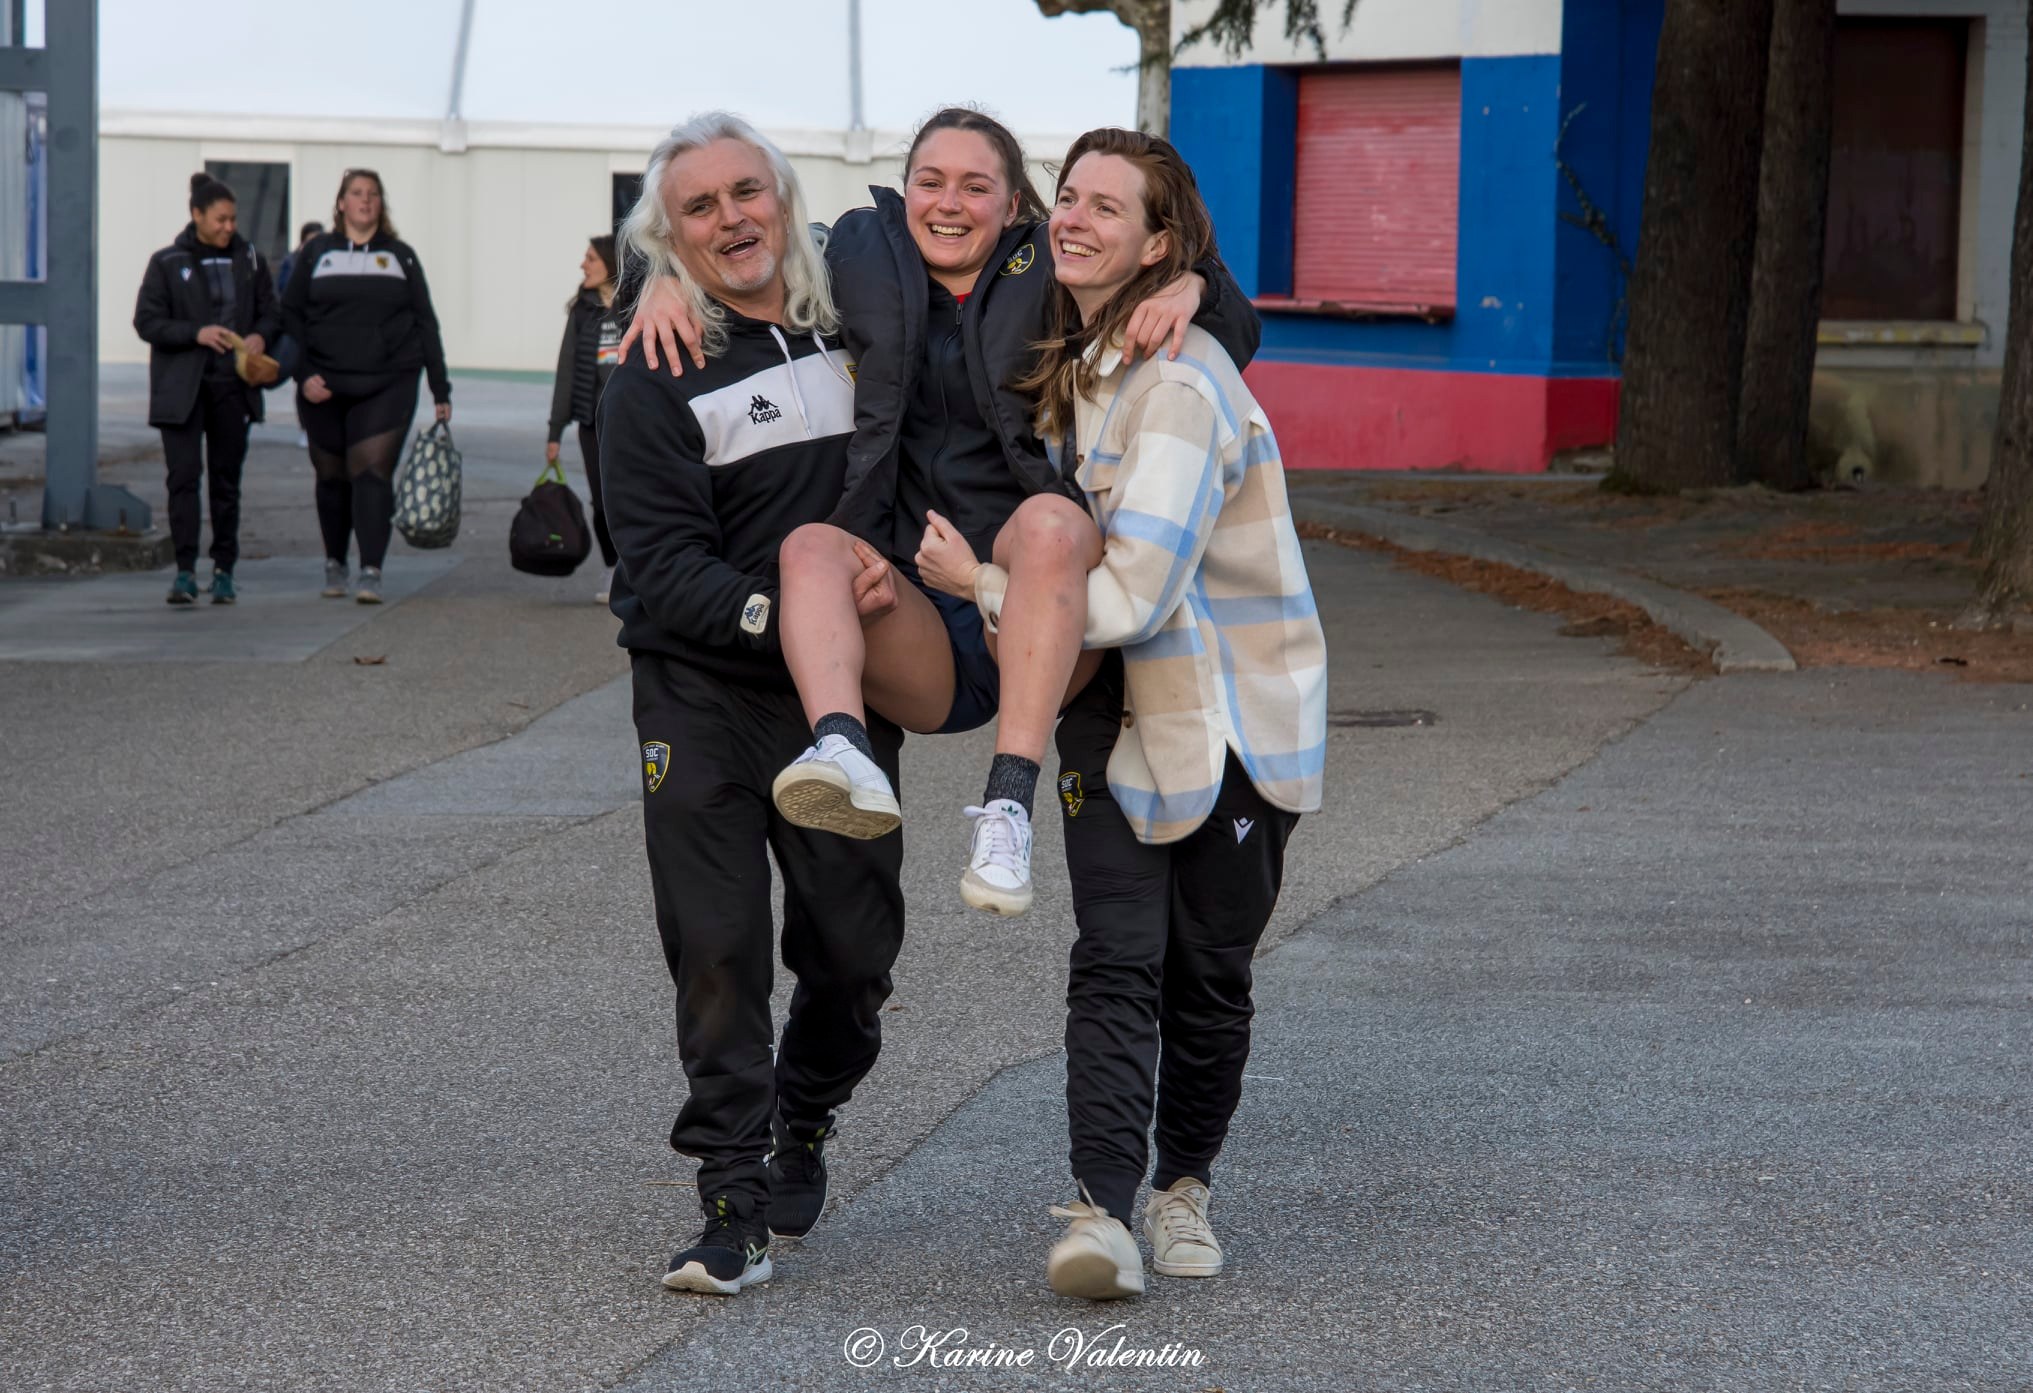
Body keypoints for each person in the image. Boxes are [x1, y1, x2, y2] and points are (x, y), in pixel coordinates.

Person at [625, 107, 1260, 916]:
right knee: (811, 545)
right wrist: (656, 281)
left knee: (1050, 520)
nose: (949, 203)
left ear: (1013, 203)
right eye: (930, 182)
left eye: (975, 186)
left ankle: (1006, 809)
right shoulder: (855, 253)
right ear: (904, 192)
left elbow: (1233, 324)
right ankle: (842, 750)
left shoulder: (1053, 267)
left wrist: (1196, 283)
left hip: (1029, 602)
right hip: (914, 621)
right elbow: (740, 246)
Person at [914, 128, 1325, 1300]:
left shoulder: (1180, 386)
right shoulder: (1078, 361)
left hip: (1233, 722)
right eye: (1067, 197)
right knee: (1113, 960)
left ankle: (1181, 1187)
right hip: (1115, 712)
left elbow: (1135, 595)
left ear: (1158, 245)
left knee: (1207, 976)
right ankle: (1100, 1210)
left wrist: (980, 587)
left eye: (1107, 206)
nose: (1073, 218)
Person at [601, 112, 908, 1297]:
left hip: (842, 700)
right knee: (717, 945)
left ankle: (805, 1112)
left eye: (746, 192)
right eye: (699, 207)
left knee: (853, 950)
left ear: (783, 197)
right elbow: (657, 565)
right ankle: (730, 1202)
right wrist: (787, 621)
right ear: (668, 236)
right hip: (700, 693)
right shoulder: (656, 367)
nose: (731, 219)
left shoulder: (860, 325)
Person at [280, 170, 450, 604]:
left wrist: (440, 388)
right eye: (356, 193)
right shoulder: (317, 252)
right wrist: (303, 374)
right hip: (323, 383)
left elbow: (425, 320)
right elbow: (290, 314)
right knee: (331, 476)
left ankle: (371, 570)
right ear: (341, 203)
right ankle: (334, 563)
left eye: (373, 193)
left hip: (388, 381)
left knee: (371, 473)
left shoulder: (400, 256)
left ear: (381, 203)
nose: (365, 200)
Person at [133, 172, 280, 606]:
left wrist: (260, 335)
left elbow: (272, 312)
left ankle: (224, 570)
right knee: (183, 478)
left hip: (232, 387)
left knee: (225, 482)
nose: (228, 227)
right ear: (196, 215)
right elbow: (147, 322)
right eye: (220, 219)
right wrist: (195, 333)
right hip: (182, 390)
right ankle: (184, 571)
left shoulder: (250, 259)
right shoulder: (166, 262)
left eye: (233, 219)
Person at [546, 235, 624, 601]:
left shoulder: (635, 304)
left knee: (637, 496)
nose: (583, 265)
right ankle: (613, 568)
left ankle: (639, 569)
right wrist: (555, 431)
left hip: (631, 421)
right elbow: (566, 371)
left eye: (590, 258)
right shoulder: (582, 310)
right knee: (602, 501)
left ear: (609, 261)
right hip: (592, 423)